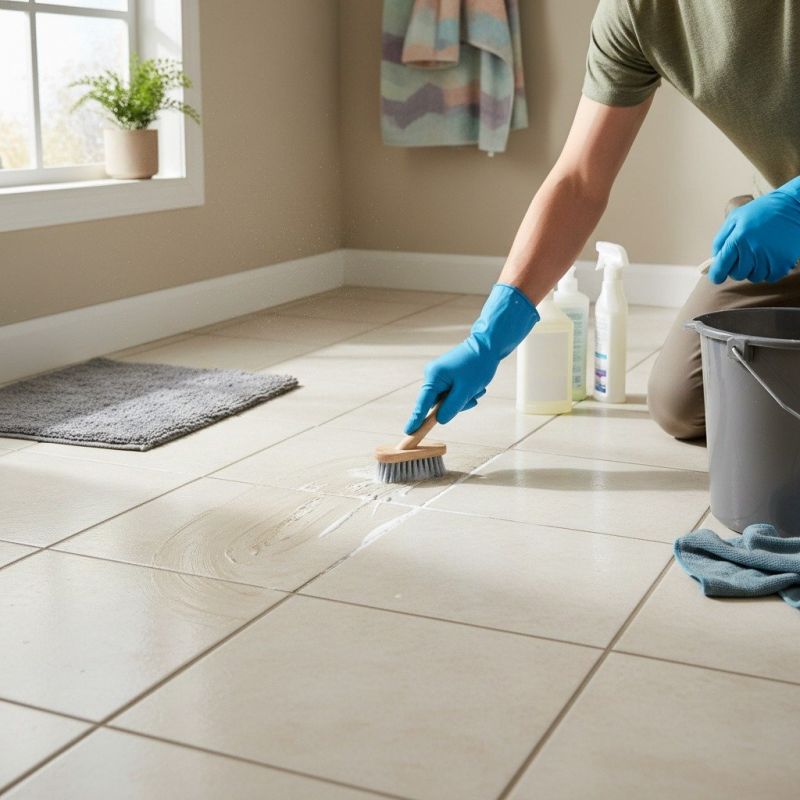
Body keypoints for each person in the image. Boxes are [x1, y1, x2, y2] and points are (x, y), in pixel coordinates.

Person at [404, 0, 800, 441]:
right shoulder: (636, 11)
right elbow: (579, 181)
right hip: (782, 235)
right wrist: (488, 338)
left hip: (791, 212)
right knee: (684, 401)